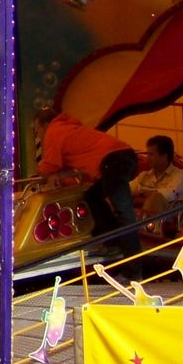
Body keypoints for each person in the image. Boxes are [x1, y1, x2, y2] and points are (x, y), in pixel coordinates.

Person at [37, 109, 141, 258]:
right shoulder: (69, 128)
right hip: (121, 158)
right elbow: (76, 164)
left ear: (45, 125)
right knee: (93, 196)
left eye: (38, 131)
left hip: (113, 162)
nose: (39, 135)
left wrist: (42, 173)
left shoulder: (54, 131)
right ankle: (113, 241)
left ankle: (133, 264)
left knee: (124, 213)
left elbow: (49, 165)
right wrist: (58, 175)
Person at [134, 135, 183, 219]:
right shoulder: (144, 176)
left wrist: (139, 196)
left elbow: (162, 197)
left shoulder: (179, 176)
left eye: (151, 154)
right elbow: (127, 190)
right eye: (147, 154)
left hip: (174, 221)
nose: (147, 158)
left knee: (155, 199)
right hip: (151, 220)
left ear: (164, 156)